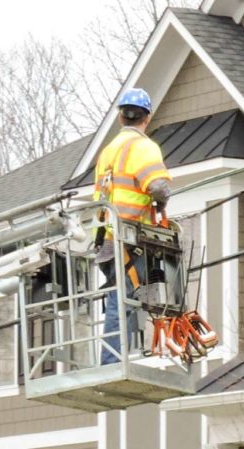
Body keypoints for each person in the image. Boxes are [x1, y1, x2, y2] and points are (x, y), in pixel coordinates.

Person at [93, 87, 171, 365]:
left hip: (104, 240)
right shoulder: (143, 147)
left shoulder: (108, 151)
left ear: (120, 118)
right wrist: (160, 204)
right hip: (128, 239)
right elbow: (159, 187)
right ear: (146, 118)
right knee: (125, 300)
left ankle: (120, 356)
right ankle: (113, 360)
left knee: (123, 299)